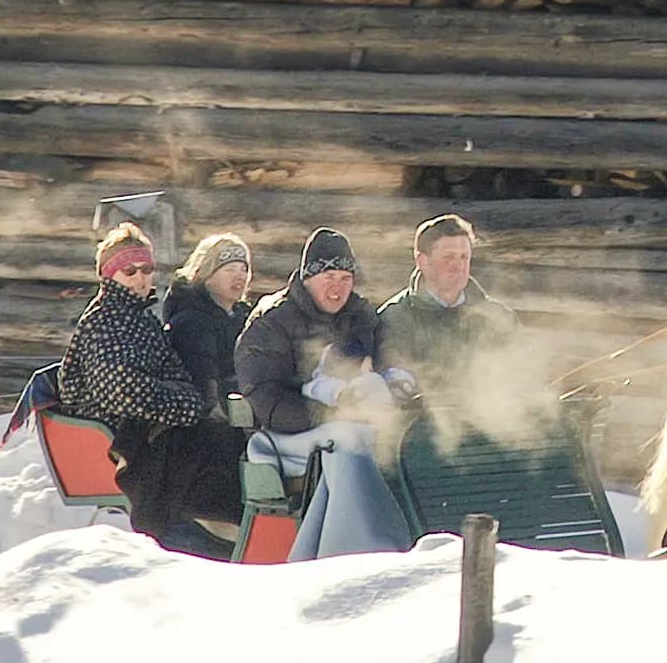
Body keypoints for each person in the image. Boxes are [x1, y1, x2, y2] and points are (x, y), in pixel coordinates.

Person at [60, 223, 243, 553]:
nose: (141, 278)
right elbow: (120, 388)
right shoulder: (106, 320)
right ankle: (189, 531)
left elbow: (174, 373)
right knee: (202, 444)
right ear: (110, 274)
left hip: (150, 419)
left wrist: (185, 400)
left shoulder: (141, 317)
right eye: (130, 271)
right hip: (121, 430)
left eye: (146, 269)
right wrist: (185, 405)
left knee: (218, 436)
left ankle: (218, 526)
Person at [234, 229, 415, 558]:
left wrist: (396, 383)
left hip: (351, 421)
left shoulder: (360, 315)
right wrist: (328, 412)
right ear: (308, 277)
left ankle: (413, 532)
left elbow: (390, 358)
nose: (338, 287)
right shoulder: (272, 321)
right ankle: (355, 547)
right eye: (329, 276)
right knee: (349, 440)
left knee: (397, 438)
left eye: (346, 277)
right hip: (282, 436)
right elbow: (266, 398)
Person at [375, 214, 529, 411]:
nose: (458, 266)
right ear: (422, 261)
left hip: (495, 424)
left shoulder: (499, 317)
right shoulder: (395, 318)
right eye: (448, 257)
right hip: (424, 430)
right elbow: (394, 383)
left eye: (464, 257)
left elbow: (525, 372)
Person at [162, 233, 253, 411]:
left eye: (244, 269)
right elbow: (204, 384)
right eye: (230, 269)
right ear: (207, 275)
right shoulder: (191, 323)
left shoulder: (246, 318)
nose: (239, 276)